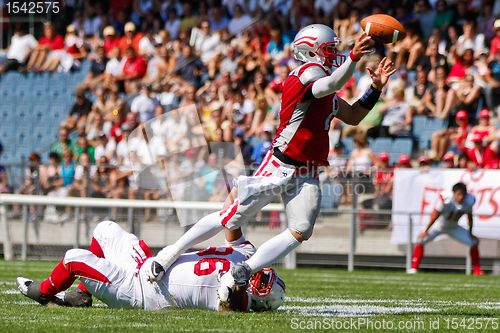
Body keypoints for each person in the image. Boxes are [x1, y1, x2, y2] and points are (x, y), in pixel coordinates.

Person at [146, 24, 396, 302]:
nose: (333, 55)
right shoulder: (302, 77)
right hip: (280, 165)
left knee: (301, 230)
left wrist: (374, 88)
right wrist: (352, 59)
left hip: (307, 171)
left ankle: (243, 271)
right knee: (230, 216)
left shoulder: (324, 90)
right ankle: (170, 253)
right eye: (328, 50)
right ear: (310, 51)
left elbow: (353, 115)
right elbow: (332, 83)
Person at [16, 221, 285, 312]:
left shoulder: (238, 301)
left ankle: (44, 291)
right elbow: (233, 227)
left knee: (74, 258)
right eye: (262, 275)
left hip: (142, 293)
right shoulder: (248, 254)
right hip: (149, 266)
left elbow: (231, 306)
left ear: (258, 302)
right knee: (104, 229)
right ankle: (84, 293)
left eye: (260, 286)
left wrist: (235, 289)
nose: (255, 277)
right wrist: (237, 199)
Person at [409, 182, 483, 275]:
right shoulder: (446, 199)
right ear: (454, 193)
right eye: (459, 194)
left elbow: (469, 217)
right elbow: (435, 215)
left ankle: (477, 270)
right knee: (420, 239)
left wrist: (470, 233)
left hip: (454, 227)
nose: (461, 197)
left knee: (474, 242)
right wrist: (426, 230)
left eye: (463, 194)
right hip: (439, 225)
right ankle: (414, 268)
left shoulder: (469, 200)